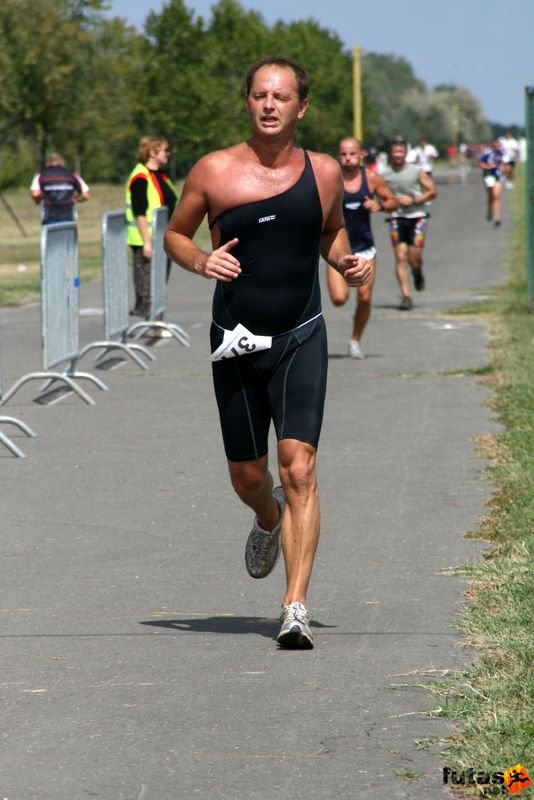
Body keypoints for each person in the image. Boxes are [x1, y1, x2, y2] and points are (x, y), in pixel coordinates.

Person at [164, 57, 371, 649]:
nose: (270, 104)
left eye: (281, 96)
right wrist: (202, 260)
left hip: (302, 333)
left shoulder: (325, 171)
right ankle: (266, 516)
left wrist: (345, 261)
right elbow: (176, 234)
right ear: (249, 102)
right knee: (248, 476)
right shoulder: (214, 171)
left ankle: (295, 606)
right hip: (235, 340)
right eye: (259, 95)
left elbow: (329, 230)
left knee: (299, 467)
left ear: (301, 107)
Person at [326, 137, 397, 359]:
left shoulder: (372, 179)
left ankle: (355, 340)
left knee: (364, 298)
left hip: (365, 247)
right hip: (338, 250)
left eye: (352, 154)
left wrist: (380, 205)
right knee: (338, 299)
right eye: (343, 154)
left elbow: (392, 202)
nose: (347, 158)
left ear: (361, 155)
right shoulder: (330, 178)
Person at [125, 136, 178, 331]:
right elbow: (140, 211)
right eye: (164, 150)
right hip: (146, 240)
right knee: (147, 285)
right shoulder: (140, 177)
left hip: (162, 239)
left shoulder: (162, 176)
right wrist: (147, 242)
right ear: (153, 152)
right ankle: (151, 325)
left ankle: (156, 322)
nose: (168, 154)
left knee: (159, 283)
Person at [382, 137, 437, 310]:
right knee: (400, 257)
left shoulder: (416, 171)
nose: (398, 155)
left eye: (401, 151)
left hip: (417, 218)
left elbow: (432, 192)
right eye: (395, 152)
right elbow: (379, 195)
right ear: (390, 154)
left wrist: (413, 199)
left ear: (406, 153)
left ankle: (418, 273)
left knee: (414, 259)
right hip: (396, 219)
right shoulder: (384, 174)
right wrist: (387, 202)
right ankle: (406, 296)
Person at [30, 153, 90, 225]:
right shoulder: (72, 175)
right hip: (68, 216)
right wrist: (75, 199)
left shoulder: (40, 176)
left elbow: (35, 194)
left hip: (49, 216)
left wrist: (41, 198)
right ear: (62, 162)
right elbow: (86, 196)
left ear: (47, 163)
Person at [478, 140, 504, 227]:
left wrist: (503, 168)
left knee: (496, 196)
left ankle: (497, 218)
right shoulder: (487, 154)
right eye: (494, 146)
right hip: (489, 176)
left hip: (498, 177)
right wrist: (488, 166)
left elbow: (505, 163)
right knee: (491, 196)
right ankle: (490, 209)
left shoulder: (502, 153)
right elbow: (480, 163)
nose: (496, 147)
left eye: (497, 145)